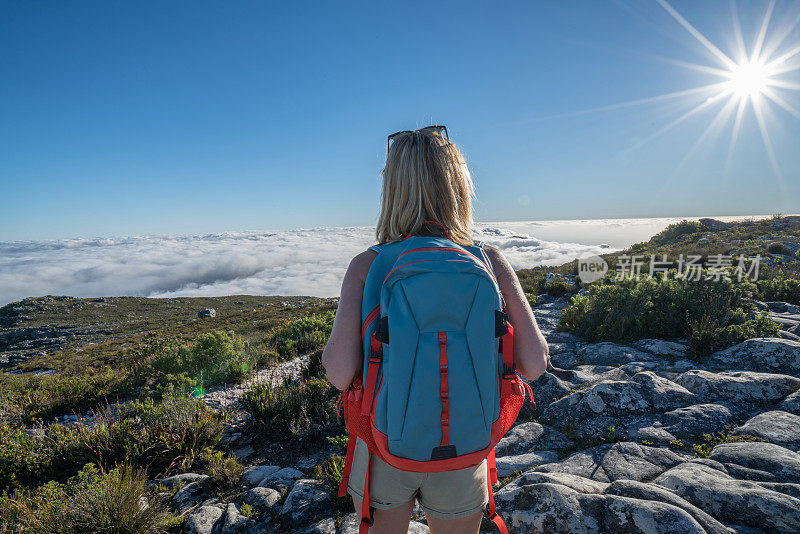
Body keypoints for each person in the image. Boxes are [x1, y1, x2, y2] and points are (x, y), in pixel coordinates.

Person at [322, 126, 549, 534]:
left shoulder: (368, 265)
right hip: (464, 450)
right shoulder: (489, 261)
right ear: (457, 186)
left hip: (383, 447)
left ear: (392, 190)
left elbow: (339, 373)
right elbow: (533, 364)